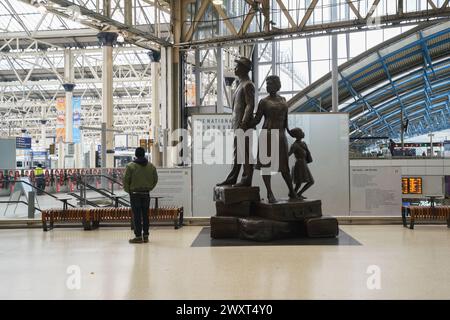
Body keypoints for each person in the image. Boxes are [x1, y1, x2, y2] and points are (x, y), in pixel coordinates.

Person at [250, 75, 297, 203]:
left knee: (284, 166)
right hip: (267, 135)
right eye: (267, 83)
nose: (267, 86)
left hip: (281, 135)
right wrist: (245, 119)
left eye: (270, 83)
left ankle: (292, 191)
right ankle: (270, 193)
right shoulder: (263, 102)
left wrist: (290, 132)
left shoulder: (283, 100)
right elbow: (257, 120)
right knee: (266, 166)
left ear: (277, 85)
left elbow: (285, 120)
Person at [217, 56, 256, 187]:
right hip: (238, 125)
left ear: (244, 69)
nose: (235, 68)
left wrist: (244, 122)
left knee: (245, 153)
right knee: (237, 152)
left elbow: (250, 105)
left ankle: (246, 179)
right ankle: (232, 177)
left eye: (238, 66)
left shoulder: (248, 85)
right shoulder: (240, 85)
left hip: (244, 125)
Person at [123, 147, 158, 244]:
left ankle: (138, 236)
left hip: (134, 194)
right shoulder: (151, 166)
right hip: (146, 194)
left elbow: (126, 180)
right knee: (146, 215)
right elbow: (155, 179)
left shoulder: (130, 166)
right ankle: (146, 235)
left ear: (135, 155)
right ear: (144, 154)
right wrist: (149, 188)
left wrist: (128, 190)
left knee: (137, 215)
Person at [289, 128, 314, 199]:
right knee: (300, 183)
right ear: (297, 135)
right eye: (300, 132)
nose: (303, 133)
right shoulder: (295, 145)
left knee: (304, 182)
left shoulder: (303, 143)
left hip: (303, 163)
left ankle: (296, 194)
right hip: (299, 164)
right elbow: (288, 154)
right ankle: (295, 194)